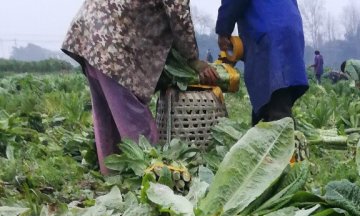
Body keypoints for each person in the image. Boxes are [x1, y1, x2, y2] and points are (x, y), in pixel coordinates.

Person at [62, 0, 216, 174]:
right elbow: (178, 13)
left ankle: (113, 178)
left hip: (91, 35)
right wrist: (193, 59)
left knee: (107, 118)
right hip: (114, 42)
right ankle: (152, 179)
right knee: (137, 124)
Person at [216, 0, 308, 123]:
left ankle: (281, 135)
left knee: (276, 102)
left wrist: (223, 32)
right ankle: (261, 128)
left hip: (267, 31)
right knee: (273, 96)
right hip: (291, 29)